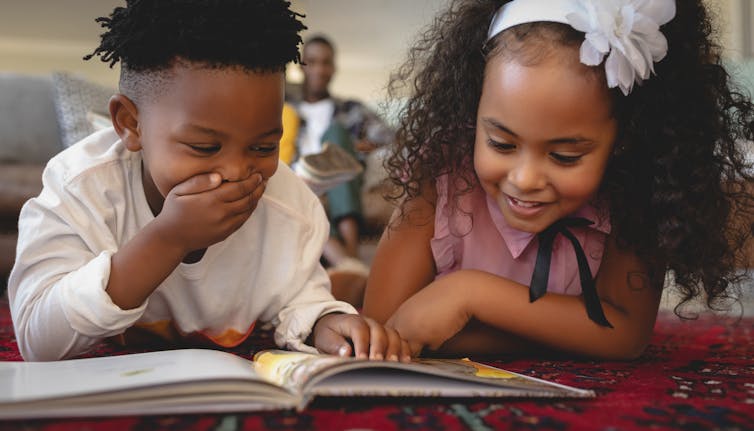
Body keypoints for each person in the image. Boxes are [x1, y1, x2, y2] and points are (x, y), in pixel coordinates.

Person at [8, 0, 411, 363]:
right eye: (203, 147)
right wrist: (167, 239)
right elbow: (37, 340)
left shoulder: (290, 207)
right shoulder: (80, 189)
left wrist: (327, 322)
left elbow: (300, 300)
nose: (237, 172)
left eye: (263, 147)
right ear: (131, 124)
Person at [363, 0, 754, 360]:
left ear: (625, 140)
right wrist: (572, 333)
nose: (526, 178)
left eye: (565, 156)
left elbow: (626, 335)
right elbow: (383, 326)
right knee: (350, 300)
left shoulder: (636, 189)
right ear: (472, 109)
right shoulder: (440, 173)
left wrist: (470, 295)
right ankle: (345, 282)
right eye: (500, 143)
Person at [287, 34, 395, 297]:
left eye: (325, 63)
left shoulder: (350, 109)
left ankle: (349, 257)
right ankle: (351, 264)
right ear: (301, 66)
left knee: (335, 134)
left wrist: (354, 145)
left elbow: (391, 137)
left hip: (342, 176)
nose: (319, 69)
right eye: (312, 62)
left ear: (333, 67)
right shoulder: (286, 109)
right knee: (298, 190)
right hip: (302, 179)